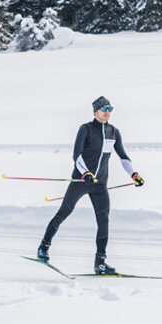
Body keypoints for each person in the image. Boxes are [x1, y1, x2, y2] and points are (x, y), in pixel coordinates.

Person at [36, 96, 144, 274]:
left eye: (110, 109)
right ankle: (43, 247)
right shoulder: (85, 129)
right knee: (64, 212)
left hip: (100, 184)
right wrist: (85, 173)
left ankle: (100, 263)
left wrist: (134, 174)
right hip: (81, 181)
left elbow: (123, 157)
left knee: (104, 221)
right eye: (104, 110)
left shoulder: (114, 132)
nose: (108, 113)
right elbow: (76, 155)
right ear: (96, 112)